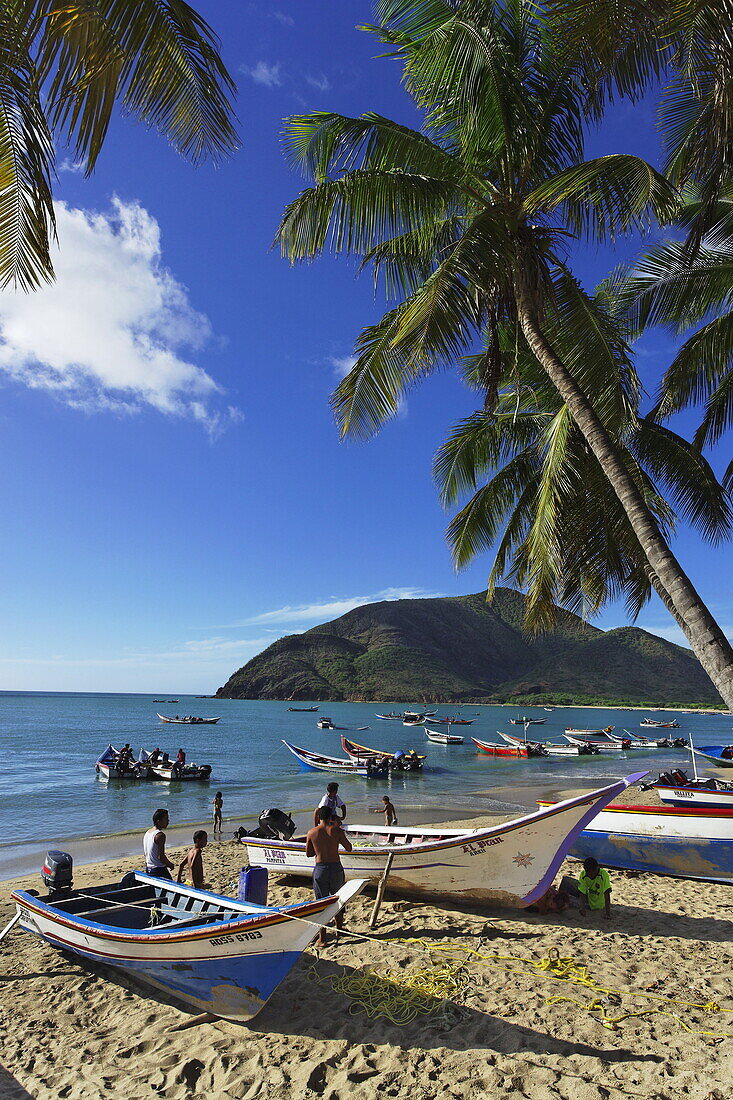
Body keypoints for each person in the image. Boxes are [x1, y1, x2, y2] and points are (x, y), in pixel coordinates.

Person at [305, 808, 353, 946]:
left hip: (321, 868)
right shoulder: (337, 831)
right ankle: (339, 930)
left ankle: (323, 938)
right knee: (339, 898)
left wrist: (319, 847)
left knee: (322, 903)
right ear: (331, 817)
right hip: (336, 867)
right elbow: (349, 847)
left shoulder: (312, 832)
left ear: (319, 817)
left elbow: (308, 853)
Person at [143, 808, 174, 880]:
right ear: (159, 821)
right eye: (166, 819)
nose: (168, 821)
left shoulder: (148, 832)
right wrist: (170, 865)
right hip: (158, 869)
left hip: (149, 868)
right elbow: (161, 857)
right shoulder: (160, 835)